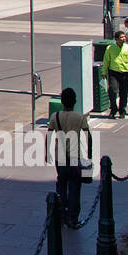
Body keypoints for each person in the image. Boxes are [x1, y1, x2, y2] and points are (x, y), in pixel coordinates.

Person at [48, 87, 90, 228]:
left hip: (60, 157)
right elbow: (88, 136)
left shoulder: (55, 116)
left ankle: (60, 213)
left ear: (62, 101)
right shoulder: (80, 117)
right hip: (74, 157)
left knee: (61, 184)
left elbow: (49, 135)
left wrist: (47, 153)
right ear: (75, 101)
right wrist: (89, 155)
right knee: (74, 187)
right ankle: (72, 218)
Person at [101, 29, 128, 118]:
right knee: (113, 90)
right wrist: (104, 71)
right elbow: (106, 60)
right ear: (116, 39)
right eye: (121, 37)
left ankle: (122, 111)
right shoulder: (110, 48)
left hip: (125, 73)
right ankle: (113, 109)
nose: (124, 39)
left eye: (124, 37)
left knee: (123, 93)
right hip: (113, 72)